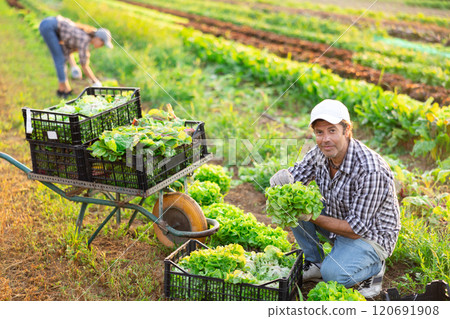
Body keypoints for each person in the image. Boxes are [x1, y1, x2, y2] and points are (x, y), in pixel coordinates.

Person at [269, 99, 400, 298]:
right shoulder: (321, 153)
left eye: (332, 130)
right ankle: (315, 261)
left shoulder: (371, 170)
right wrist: (284, 181)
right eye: (319, 132)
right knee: (292, 202)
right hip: (340, 217)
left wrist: (310, 216)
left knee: (334, 275)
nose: (325, 139)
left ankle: (374, 267)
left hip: (371, 235)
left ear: (346, 130)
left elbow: (356, 230)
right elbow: (297, 176)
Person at [39, 16, 113, 98]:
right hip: (49, 26)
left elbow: (68, 50)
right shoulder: (84, 40)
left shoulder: (85, 38)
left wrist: (74, 66)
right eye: (102, 43)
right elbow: (84, 65)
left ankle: (66, 89)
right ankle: (62, 91)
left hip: (50, 23)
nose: (101, 46)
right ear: (98, 38)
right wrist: (95, 82)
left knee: (61, 58)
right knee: (59, 59)